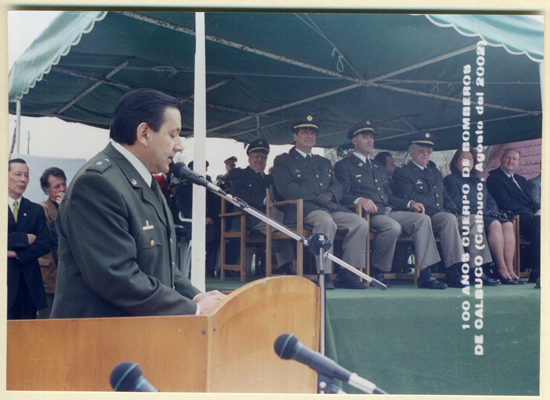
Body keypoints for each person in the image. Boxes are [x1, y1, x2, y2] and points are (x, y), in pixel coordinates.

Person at [51, 88, 225, 318]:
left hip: (134, 336)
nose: (180, 145)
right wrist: (192, 310)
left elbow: (161, 265)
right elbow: (117, 277)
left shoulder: (144, 183)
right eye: (173, 135)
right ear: (144, 134)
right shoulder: (96, 184)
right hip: (97, 342)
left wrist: (195, 296)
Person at [335, 120, 446, 289]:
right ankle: (378, 270)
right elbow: (341, 194)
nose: (369, 140)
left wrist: (410, 202)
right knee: (392, 227)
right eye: (364, 137)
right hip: (366, 214)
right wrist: (360, 200)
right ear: (354, 141)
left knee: (422, 219)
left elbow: (390, 196)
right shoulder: (344, 165)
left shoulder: (379, 167)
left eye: (371, 137)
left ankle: (425, 273)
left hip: (388, 210)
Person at [272, 115, 369, 289]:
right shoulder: (283, 160)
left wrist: (330, 194)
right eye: (305, 133)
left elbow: (338, 185)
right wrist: (318, 197)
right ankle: (324, 274)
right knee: (325, 221)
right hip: (303, 209)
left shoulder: (323, 162)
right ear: (295, 137)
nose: (310, 136)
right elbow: (286, 188)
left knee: (359, 222)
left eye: (313, 133)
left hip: (329, 207)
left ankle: (347, 273)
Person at [392, 133, 499, 287]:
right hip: (424, 216)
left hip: (444, 215)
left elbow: (445, 196)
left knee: (475, 219)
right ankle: (453, 270)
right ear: (412, 151)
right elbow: (409, 196)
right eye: (421, 150)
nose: (425, 154)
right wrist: (441, 210)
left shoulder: (434, 172)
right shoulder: (403, 172)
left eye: (428, 151)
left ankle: (476, 269)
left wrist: (454, 210)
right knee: (448, 219)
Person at [444, 149, 522, 285]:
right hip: (467, 216)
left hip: (485, 215)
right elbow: (457, 203)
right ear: (456, 162)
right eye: (462, 159)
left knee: (508, 225)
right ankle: (501, 269)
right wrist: (484, 213)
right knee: (496, 224)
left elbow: (491, 201)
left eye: (470, 159)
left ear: (474, 162)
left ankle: (510, 270)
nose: (466, 162)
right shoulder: (451, 180)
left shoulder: (479, 182)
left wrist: (491, 213)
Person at [228, 139, 295, 274]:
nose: (260, 160)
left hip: (271, 218)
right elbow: (239, 194)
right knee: (283, 223)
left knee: (284, 221)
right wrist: (264, 200)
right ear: (249, 158)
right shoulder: (239, 174)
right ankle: (284, 264)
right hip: (248, 218)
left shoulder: (270, 179)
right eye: (256, 156)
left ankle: (285, 265)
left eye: (264, 157)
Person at [486, 148, 541, 283]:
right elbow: (506, 202)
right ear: (501, 160)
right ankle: (536, 270)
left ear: (519, 163)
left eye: (514, 159)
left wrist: (540, 210)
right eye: (508, 158)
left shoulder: (521, 180)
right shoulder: (494, 178)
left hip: (531, 217)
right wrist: (532, 214)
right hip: (514, 218)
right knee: (540, 224)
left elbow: (532, 201)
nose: (511, 161)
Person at [7, 159, 51, 319]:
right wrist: (24, 238)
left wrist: (14, 253)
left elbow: (44, 244)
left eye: (26, 175)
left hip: (28, 287)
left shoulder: (35, 210)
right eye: (17, 174)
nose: (23, 179)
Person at [175, 160, 221, 278]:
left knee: (216, 230)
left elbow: (214, 207)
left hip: (208, 223)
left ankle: (211, 269)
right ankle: (202, 268)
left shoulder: (209, 189)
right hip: (192, 222)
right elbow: (184, 208)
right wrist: (201, 219)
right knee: (209, 232)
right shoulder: (183, 188)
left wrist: (211, 218)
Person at [36, 167, 67, 318]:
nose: (62, 189)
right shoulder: (41, 210)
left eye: (64, 184)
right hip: (49, 276)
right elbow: (51, 238)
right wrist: (63, 212)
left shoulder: (72, 205)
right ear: (47, 191)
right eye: (56, 187)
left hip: (67, 276)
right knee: (47, 318)